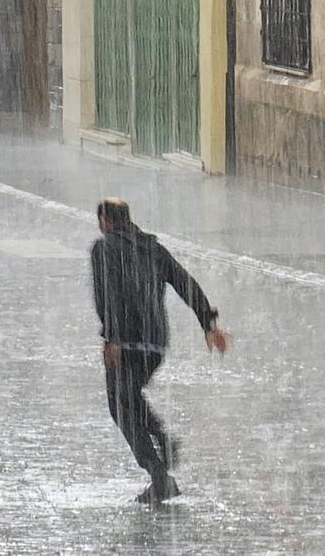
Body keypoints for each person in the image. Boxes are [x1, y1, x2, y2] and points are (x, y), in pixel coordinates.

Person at [90, 198, 230, 504]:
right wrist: (208, 323)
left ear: (106, 221)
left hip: (125, 341)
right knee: (128, 397)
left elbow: (107, 293)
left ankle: (159, 472)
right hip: (155, 343)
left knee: (120, 406)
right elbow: (184, 282)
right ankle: (163, 445)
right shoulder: (153, 248)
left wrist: (112, 338)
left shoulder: (104, 248)